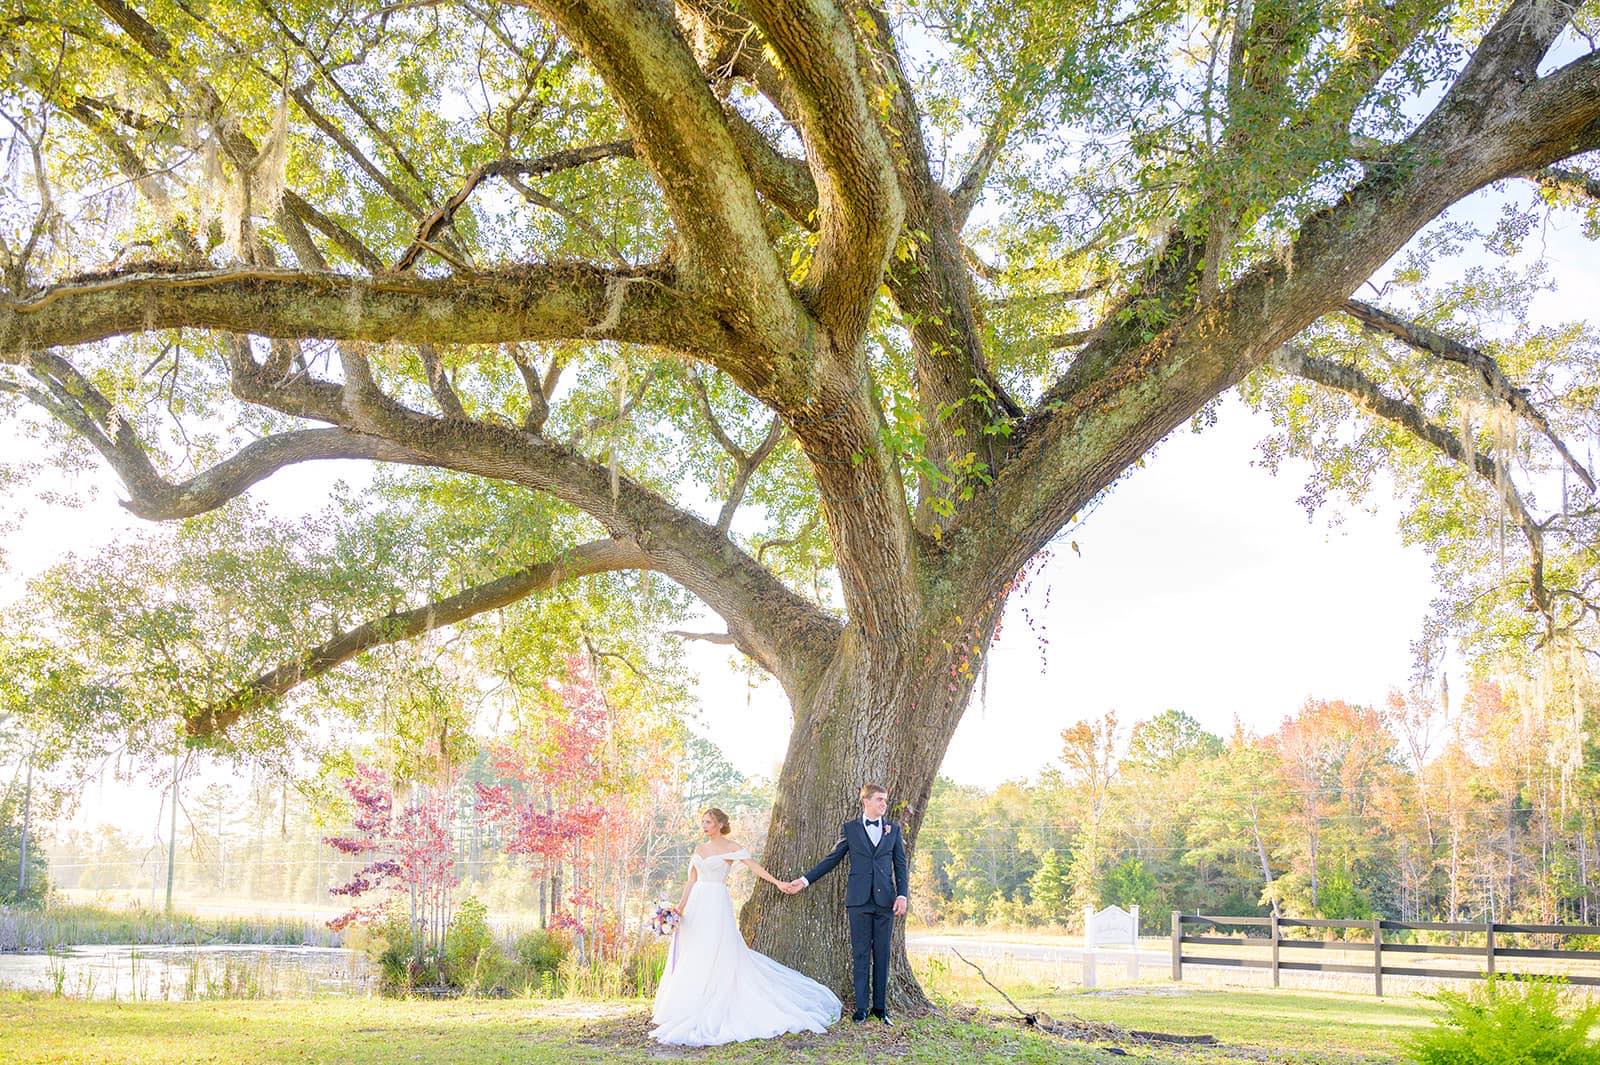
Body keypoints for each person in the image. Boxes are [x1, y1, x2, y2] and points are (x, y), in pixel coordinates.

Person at [649, 807, 842, 1046]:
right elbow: (691, 881)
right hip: (696, 905)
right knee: (694, 951)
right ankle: (689, 1002)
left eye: (708, 821)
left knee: (718, 949)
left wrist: (777, 883)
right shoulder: (699, 849)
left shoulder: (731, 848)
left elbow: (754, 867)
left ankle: (717, 995)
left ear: (720, 824)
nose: (704, 826)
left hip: (716, 902)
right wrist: (678, 909)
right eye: (703, 822)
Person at [785, 783, 909, 1024]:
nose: (884, 804)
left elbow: (901, 865)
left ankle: (880, 1009)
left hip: (886, 902)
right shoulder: (850, 829)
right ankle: (861, 1009)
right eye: (879, 800)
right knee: (860, 954)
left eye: (885, 800)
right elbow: (832, 859)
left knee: (882, 955)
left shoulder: (893, 829)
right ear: (866, 801)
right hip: (859, 901)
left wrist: (902, 895)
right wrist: (804, 880)